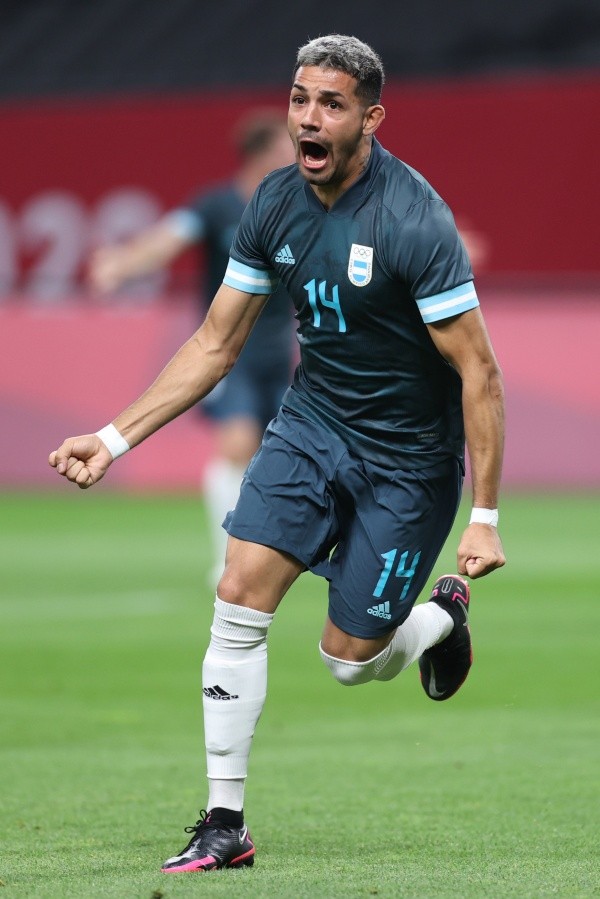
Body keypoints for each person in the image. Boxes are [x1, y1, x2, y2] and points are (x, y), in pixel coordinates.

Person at [50, 34, 506, 874]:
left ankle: (440, 618)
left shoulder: (412, 218)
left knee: (346, 659)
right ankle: (226, 823)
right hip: (312, 429)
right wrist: (114, 438)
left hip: (408, 459)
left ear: (370, 119)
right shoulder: (272, 202)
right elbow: (215, 343)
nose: (308, 117)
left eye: (330, 104)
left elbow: (478, 371)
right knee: (238, 592)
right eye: (300, 99)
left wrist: (483, 515)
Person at [88, 111, 296, 582]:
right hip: (229, 355)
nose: (297, 154)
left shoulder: (293, 205)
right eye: (286, 147)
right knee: (237, 442)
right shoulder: (215, 205)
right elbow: (168, 240)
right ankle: (226, 554)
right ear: (263, 154)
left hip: (280, 356)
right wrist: (123, 264)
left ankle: (277, 548)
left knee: (284, 455)